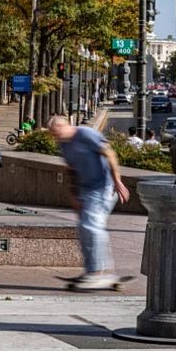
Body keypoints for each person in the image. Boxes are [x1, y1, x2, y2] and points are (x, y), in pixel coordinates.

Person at [48, 115, 130, 288]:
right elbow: (71, 170)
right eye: (53, 135)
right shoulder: (64, 144)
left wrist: (117, 181)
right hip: (86, 190)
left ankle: (98, 272)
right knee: (86, 229)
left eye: (56, 132)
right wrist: (73, 196)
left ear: (65, 126)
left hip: (105, 186)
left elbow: (110, 154)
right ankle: (97, 271)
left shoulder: (86, 134)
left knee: (92, 225)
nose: (55, 137)